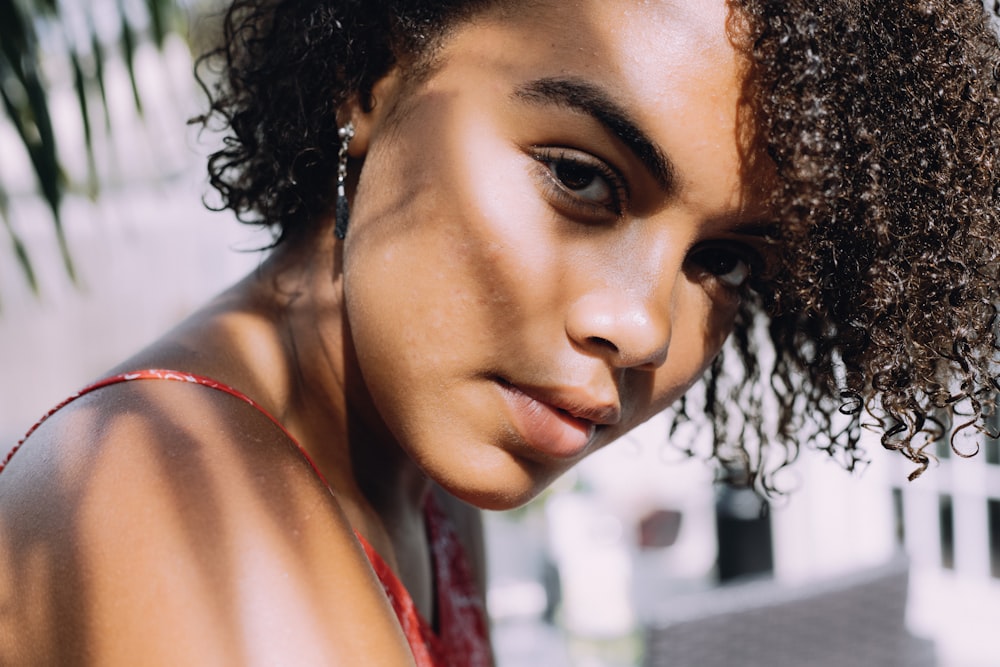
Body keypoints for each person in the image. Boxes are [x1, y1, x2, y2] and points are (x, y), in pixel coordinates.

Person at [1, 0, 998, 664]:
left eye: (724, 261)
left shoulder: (402, 472)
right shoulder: (178, 499)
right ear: (370, 75)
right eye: (578, 176)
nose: (643, 327)